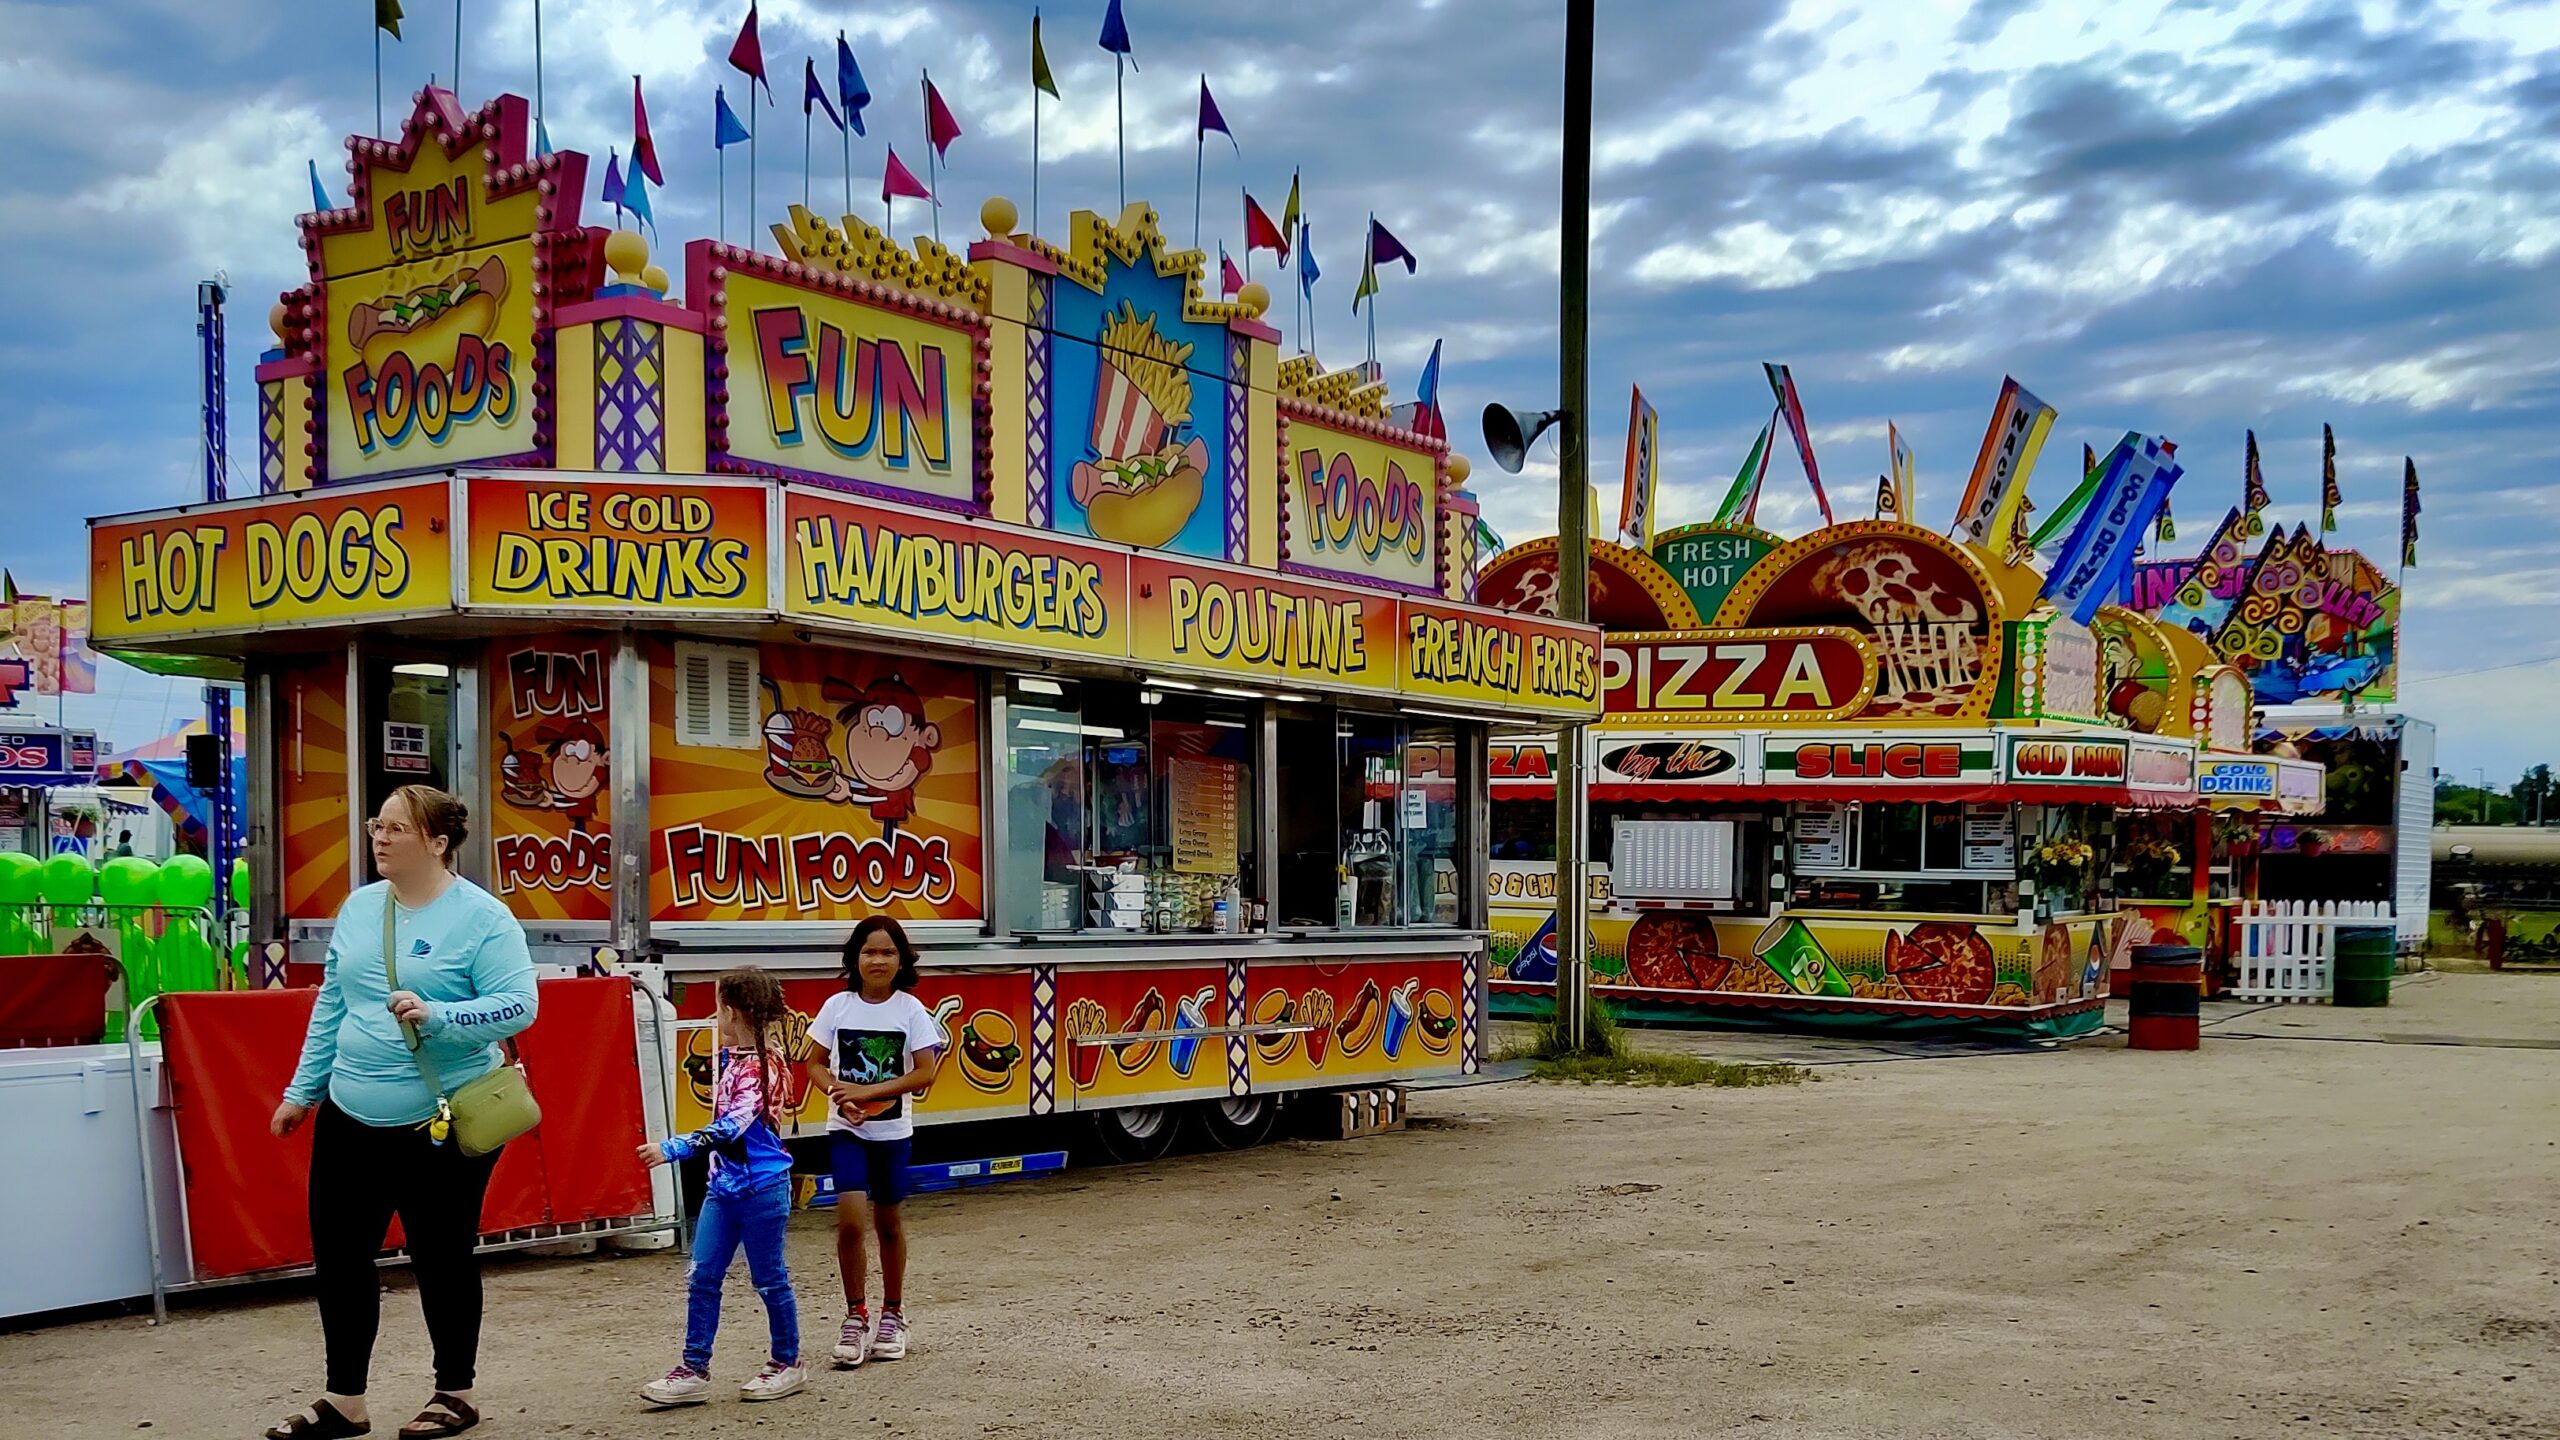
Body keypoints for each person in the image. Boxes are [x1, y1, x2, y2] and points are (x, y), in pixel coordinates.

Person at [264, 785, 537, 1440]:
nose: (379, 838)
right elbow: (333, 1005)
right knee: (339, 1256)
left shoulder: (484, 918)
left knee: (441, 1255)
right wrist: (302, 1093)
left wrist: (441, 1015)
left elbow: (519, 1006)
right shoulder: (359, 909)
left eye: (394, 828)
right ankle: (344, 1402)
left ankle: (455, 1392)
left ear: (438, 843)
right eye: (375, 826)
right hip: (349, 1113)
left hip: (438, 1120)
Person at [637, 967, 804, 1406]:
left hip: (762, 1188)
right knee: (702, 1276)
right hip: (723, 1186)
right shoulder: (738, 1060)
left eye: (717, 1007)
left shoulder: (764, 1067)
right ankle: (694, 1367)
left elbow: (732, 1127)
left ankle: (787, 1361)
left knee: (769, 1278)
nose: (715, 1017)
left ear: (731, 1011)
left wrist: (673, 1148)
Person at [805, 917, 944, 1368]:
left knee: (888, 1223)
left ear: (901, 959)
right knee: (848, 1222)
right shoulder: (837, 1006)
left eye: (887, 952)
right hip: (847, 1130)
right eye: (869, 952)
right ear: (854, 959)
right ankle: (854, 1315)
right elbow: (815, 1064)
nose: (878, 960)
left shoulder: (910, 1009)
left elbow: (926, 1071)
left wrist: (867, 1092)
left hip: (893, 1135)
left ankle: (893, 1314)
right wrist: (839, 1095)